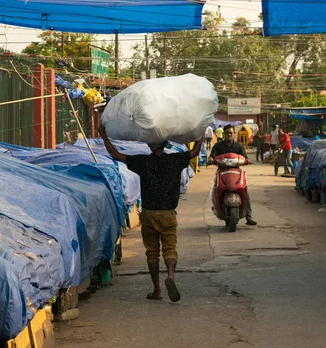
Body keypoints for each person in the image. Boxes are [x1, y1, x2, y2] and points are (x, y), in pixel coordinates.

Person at [99, 123, 203, 302]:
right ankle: (170, 275)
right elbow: (194, 153)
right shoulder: (175, 160)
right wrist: (200, 134)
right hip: (168, 214)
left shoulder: (143, 162)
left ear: (149, 146)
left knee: (152, 252)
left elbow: (116, 155)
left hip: (148, 215)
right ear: (165, 145)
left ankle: (156, 290)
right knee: (170, 249)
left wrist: (103, 135)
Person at [208, 124, 257, 226]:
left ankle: (249, 217)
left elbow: (244, 157)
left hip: (236, 172)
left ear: (234, 134)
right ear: (224, 134)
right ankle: (217, 207)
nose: (229, 135)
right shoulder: (218, 145)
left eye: (231, 133)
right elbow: (212, 155)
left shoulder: (239, 146)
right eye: (227, 133)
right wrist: (211, 159)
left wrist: (247, 161)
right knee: (216, 190)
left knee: (244, 191)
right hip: (222, 171)